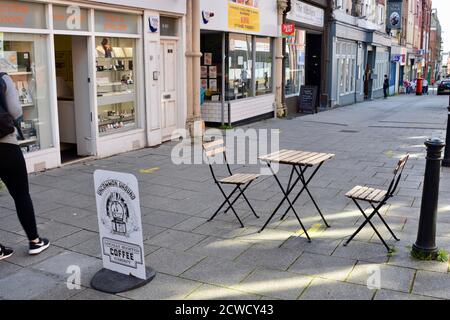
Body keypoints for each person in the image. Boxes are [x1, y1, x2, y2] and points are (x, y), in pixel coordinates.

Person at [0, 72, 50, 261]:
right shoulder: (2, 78)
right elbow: (16, 111)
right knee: (21, 194)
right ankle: (35, 241)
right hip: (5, 144)